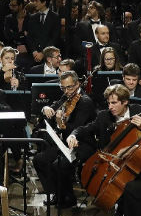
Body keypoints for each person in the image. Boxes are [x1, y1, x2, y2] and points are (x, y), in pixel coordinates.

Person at [34, 70, 96, 208]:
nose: (67, 91)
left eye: (70, 87)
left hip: (83, 144)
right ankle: (57, 193)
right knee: (39, 159)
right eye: (63, 88)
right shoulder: (66, 97)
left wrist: (61, 124)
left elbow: (77, 130)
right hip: (65, 143)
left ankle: (68, 197)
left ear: (77, 84)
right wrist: (45, 108)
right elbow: (52, 107)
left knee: (59, 164)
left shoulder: (85, 102)